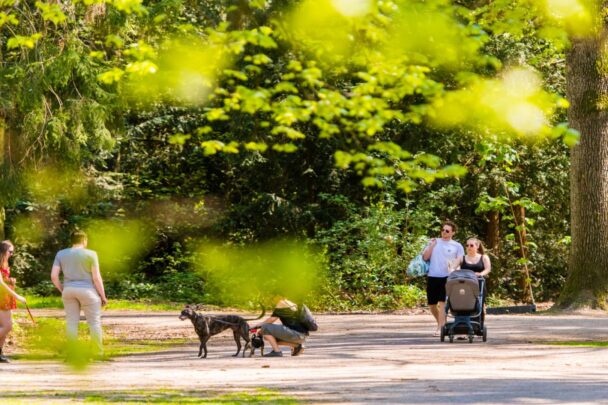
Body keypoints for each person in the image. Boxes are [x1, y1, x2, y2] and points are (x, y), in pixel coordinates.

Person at [51, 230, 108, 355]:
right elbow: (96, 278)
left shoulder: (61, 254)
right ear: (84, 240)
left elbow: (54, 277)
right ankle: (98, 353)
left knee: (71, 322)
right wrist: (103, 296)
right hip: (87, 291)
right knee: (94, 323)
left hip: (68, 290)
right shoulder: (91, 254)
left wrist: (63, 289)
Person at [422, 221, 464, 336]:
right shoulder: (434, 241)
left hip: (447, 277)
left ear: (453, 233)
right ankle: (441, 322)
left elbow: (460, 260)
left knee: (442, 303)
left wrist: (455, 269)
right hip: (433, 275)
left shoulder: (457, 245)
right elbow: (425, 257)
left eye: (447, 231)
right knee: (431, 304)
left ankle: (440, 328)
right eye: (443, 230)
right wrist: (431, 245)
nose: (444, 232)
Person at [0, 241, 26, 363]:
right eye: (10, 251)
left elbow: (3, 280)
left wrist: (10, 280)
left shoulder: (4, 263)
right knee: (7, 326)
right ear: (3, 251)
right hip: (1, 299)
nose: (11, 254)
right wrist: (18, 296)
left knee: (3, 327)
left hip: (5, 298)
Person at [458, 237, 491, 315]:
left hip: (479, 283)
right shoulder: (461, 258)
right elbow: (453, 267)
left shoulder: (484, 257)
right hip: (464, 284)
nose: (469, 247)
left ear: (477, 246)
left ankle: (480, 320)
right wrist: (452, 270)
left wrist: (480, 274)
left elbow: (488, 269)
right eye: (467, 245)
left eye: (471, 245)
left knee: (479, 303)